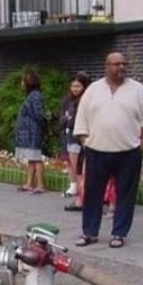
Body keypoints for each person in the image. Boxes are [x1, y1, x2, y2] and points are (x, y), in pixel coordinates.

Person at [73, 52, 143, 248]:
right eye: (116, 64)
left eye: (123, 64)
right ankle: (89, 232)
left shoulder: (139, 91)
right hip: (96, 151)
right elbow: (82, 120)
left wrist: (140, 148)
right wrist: (87, 142)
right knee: (92, 194)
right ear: (107, 66)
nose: (121, 68)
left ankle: (119, 233)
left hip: (128, 153)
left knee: (126, 195)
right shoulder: (93, 90)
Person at [14, 70, 47, 194]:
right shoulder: (32, 95)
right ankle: (29, 183)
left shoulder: (35, 96)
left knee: (36, 157)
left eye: (23, 81)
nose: (22, 84)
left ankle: (40, 185)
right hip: (30, 131)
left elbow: (39, 114)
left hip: (33, 131)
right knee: (31, 158)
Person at [60, 72, 90, 205]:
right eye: (73, 86)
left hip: (78, 137)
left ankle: (81, 196)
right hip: (68, 134)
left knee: (79, 167)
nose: (75, 89)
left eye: (78, 86)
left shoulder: (85, 101)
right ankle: (76, 189)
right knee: (71, 164)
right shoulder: (68, 100)